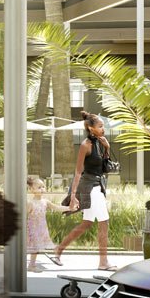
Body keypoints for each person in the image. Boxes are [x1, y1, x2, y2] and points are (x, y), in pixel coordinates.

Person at [50, 113, 114, 269]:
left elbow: (104, 166)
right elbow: (78, 172)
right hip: (90, 188)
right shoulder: (85, 145)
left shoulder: (100, 142)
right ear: (91, 128)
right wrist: (73, 196)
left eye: (103, 126)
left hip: (97, 186)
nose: (103, 129)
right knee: (104, 223)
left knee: (86, 223)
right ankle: (103, 263)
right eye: (100, 126)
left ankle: (58, 250)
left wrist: (107, 147)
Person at [21, 176, 53, 269]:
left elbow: (56, 207)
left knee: (35, 248)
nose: (42, 189)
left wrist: (69, 208)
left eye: (43, 186)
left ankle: (31, 264)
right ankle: (29, 265)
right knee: (32, 247)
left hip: (41, 229)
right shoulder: (31, 203)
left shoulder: (45, 202)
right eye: (39, 187)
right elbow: (24, 215)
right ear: (31, 189)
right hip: (32, 229)